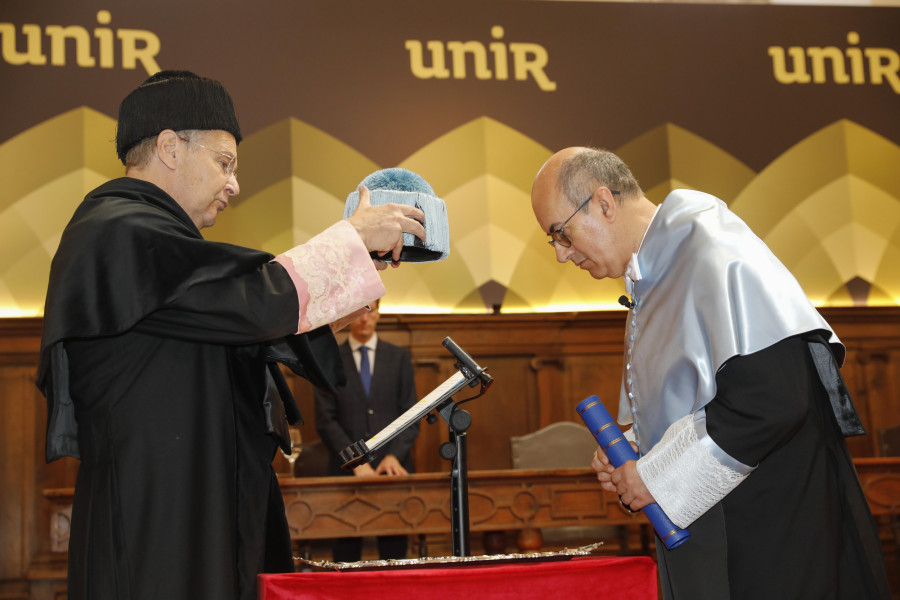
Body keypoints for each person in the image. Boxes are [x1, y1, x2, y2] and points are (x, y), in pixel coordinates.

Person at [36, 70, 426, 600]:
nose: (234, 185)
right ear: (171, 148)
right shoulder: (116, 231)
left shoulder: (158, 246)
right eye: (225, 163)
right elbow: (249, 303)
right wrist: (347, 243)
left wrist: (346, 286)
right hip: (157, 520)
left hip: (199, 501)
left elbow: (242, 322)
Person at [531, 147, 891, 599]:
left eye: (560, 234)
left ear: (603, 203)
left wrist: (656, 475)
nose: (562, 256)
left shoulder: (714, 250)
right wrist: (637, 451)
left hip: (773, 525)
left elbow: (772, 399)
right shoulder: (653, 273)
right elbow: (702, 394)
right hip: (726, 528)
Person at [314, 298, 419, 562]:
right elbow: (326, 420)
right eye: (358, 311)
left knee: (394, 556)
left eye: (370, 309)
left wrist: (394, 456)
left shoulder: (399, 357)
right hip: (347, 474)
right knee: (346, 555)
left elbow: (411, 415)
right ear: (347, 315)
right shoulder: (329, 359)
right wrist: (355, 461)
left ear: (379, 314)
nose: (364, 317)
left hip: (392, 471)